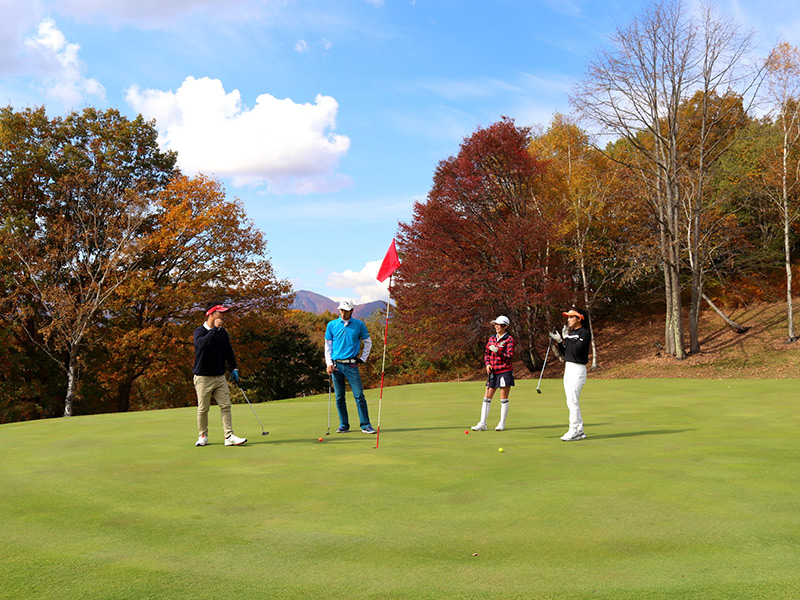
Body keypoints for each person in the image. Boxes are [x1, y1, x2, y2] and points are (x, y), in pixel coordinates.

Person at [193, 303, 247, 447]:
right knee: (203, 408)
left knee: (225, 405)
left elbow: (228, 351)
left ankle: (228, 436)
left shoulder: (223, 332)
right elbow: (202, 344)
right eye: (220, 313)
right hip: (203, 377)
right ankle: (203, 436)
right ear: (211, 314)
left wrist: (234, 368)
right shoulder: (199, 331)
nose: (223, 316)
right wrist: (214, 329)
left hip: (219, 376)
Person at [324, 300, 376, 434]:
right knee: (339, 397)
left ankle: (365, 425)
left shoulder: (359, 325)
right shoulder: (332, 325)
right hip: (336, 365)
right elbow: (328, 346)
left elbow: (368, 342)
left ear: (351, 311)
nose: (343, 312)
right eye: (341, 309)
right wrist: (329, 363)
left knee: (359, 395)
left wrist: (363, 359)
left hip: (351, 365)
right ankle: (343, 424)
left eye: (346, 310)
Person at [549, 308, 591, 441]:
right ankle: (579, 430)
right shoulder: (572, 333)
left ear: (579, 318)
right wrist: (560, 342)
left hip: (578, 369)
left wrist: (565, 339)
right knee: (570, 401)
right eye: (567, 317)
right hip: (569, 368)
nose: (568, 320)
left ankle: (573, 430)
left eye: (571, 317)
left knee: (573, 401)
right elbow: (567, 352)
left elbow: (577, 350)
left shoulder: (584, 333)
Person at [471, 315, 516, 432]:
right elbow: (486, 353)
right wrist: (487, 364)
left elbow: (509, 356)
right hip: (493, 372)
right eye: (495, 324)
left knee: (503, 399)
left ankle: (502, 423)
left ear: (505, 326)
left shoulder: (509, 340)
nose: (496, 326)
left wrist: (498, 351)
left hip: (504, 371)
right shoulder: (491, 339)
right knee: (487, 398)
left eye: (498, 324)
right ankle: (482, 423)